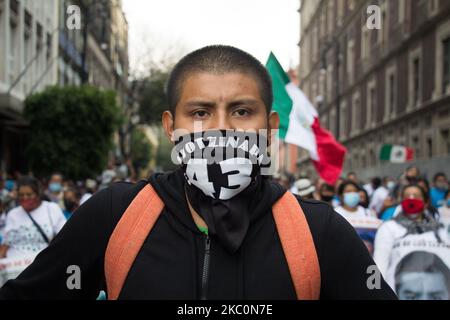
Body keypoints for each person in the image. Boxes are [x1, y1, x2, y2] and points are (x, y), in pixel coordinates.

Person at [0, 45, 396, 300]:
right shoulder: (115, 215)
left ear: (271, 126)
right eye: (201, 112)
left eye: (242, 111)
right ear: (171, 126)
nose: (221, 128)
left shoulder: (318, 231)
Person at [373, 184, 449, 298]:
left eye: (416, 196)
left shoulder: (442, 229)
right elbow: (378, 264)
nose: (412, 199)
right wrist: (373, 292)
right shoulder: (388, 227)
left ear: (426, 202)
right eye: (407, 196)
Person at [0, 176, 67, 258]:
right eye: (21, 195)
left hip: (42, 264)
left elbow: (65, 237)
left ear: (38, 194)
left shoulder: (51, 208)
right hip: (14, 266)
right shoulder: (12, 214)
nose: (25, 198)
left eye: (29, 194)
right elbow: (6, 244)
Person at [334, 181, 380, 254]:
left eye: (355, 191)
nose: (352, 194)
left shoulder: (368, 213)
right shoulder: (335, 213)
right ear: (341, 196)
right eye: (348, 191)